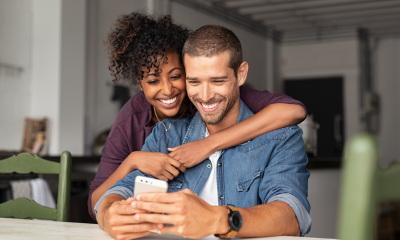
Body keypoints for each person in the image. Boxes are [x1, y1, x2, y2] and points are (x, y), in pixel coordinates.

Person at [95, 24, 311, 240]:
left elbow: (291, 216)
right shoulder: (165, 134)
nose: (205, 96)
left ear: (241, 74)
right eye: (194, 81)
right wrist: (108, 215)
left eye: (217, 81)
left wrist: (218, 219)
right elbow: (118, 192)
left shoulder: (281, 138)